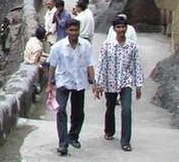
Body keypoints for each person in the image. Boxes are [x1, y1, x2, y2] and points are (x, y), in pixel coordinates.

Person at [93, 14, 144, 152]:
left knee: (126, 109)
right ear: (114, 29)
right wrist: (98, 84)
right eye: (118, 27)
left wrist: (138, 85)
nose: (121, 29)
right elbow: (101, 64)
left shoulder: (132, 46)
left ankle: (125, 141)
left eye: (123, 27)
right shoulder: (107, 45)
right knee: (110, 106)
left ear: (126, 28)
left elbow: (136, 65)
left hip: (126, 81)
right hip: (110, 81)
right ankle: (109, 130)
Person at [47, 18, 95, 156]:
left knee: (78, 112)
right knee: (61, 110)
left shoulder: (85, 45)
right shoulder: (58, 47)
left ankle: (73, 136)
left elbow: (89, 64)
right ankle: (63, 144)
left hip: (79, 82)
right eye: (71, 30)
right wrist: (49, 84)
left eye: (76, 30)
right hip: (63, 81)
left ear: (79, 30)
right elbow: (52, 65)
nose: (74, 33)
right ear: (66, 31)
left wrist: (94, 82)